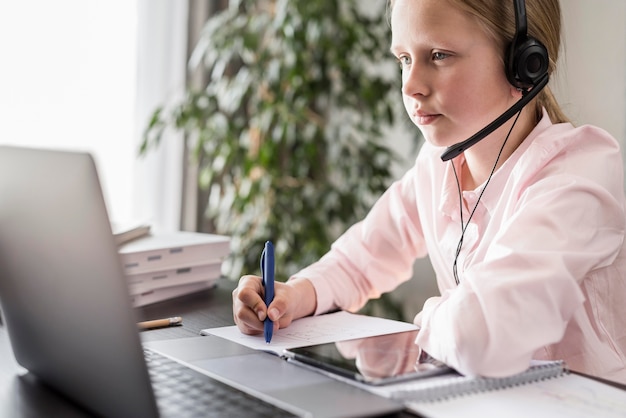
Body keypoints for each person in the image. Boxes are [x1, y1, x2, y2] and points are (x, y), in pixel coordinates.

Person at [232, 0, 626, 384]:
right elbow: (360, 261)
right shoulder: (439, 164)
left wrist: (433, 315)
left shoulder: (581, 175)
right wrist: (293, 297)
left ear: (524, 63)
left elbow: (480, 337)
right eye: (403, 58)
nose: (411, 85)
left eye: (438, 55)